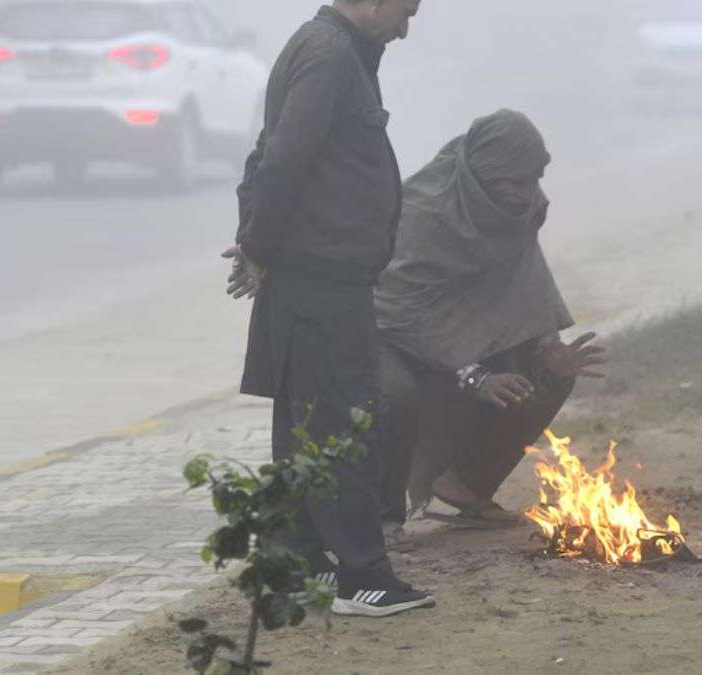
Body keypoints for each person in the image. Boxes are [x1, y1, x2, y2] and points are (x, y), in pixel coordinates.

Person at [222, 0, 432, 617]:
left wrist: (258, 241)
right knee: (344, 426)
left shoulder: (336, 50)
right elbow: (282, 156)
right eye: (404, 11)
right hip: (320, 282)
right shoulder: (329, 53)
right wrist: (258, 246)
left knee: (306, 426)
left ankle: (299, 563)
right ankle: (364, 578)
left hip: (316, 276)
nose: (404, 27)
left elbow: (269, 155)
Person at [373, 109, 605, 537]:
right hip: (387, 337)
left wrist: (545, 348)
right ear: (480, 175)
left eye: (534, 179)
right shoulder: (422, 215)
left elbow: (521, 281)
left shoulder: (519, 209)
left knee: (545, 378)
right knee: (396, 397)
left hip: (458, 340)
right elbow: (396, 310)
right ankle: (380, 516)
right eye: (514, 182)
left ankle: (465, 485)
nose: (527, 194)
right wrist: (473, 375)